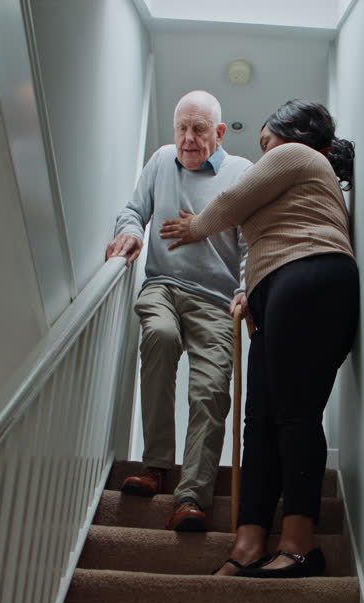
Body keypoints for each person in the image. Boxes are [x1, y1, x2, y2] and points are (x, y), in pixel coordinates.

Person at [160, 99, 358, 578]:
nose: (265, 152)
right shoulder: (294, 177)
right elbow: (261, 238)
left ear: (290, 136)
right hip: (281, 291)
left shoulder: (301, 156)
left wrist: (193, 227)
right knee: (259, 422)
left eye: (266, 142)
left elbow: (230, 204)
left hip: (309, 277)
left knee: (293, 415)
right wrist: (250, 290)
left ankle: (301, 544)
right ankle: (249, 542)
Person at [107, 90, 251, 532]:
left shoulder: (242, 173)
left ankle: (192, 496)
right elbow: (134, 211)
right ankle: (155, 468)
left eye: (199, 129)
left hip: (215, 299)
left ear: (219, 133)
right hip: (163, 287)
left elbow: (251, 244)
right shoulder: (160, 161)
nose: (187, 139)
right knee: (160, 337)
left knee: (209, 392)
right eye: (182, 128)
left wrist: (246, 289)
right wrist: (130, 232)